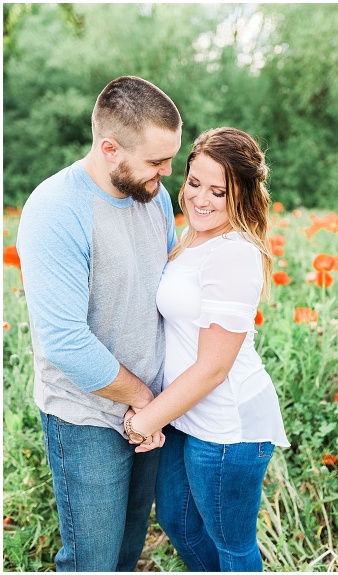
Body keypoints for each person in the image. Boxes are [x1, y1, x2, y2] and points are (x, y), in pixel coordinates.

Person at [16, 76, 182, 571]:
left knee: (128, 553)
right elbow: (65, 341)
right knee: (93, 561)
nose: (167, 173)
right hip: (86, 418)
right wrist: (144, 402)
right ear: (110, 148)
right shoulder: (55, 211)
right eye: (156, 161)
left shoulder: (154, 199)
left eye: (169, 159)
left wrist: (156, 408)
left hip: (148, 412)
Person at [122, 127, 290, 572]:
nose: (201, 199)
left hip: (227, 426)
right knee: (179, 522)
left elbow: (215, 368)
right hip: (186, 413)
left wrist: (145, 420)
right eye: (194, 183)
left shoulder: (234, 254)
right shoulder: (194, 238)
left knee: (232, 543)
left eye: (219, 191)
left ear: (242, 194)